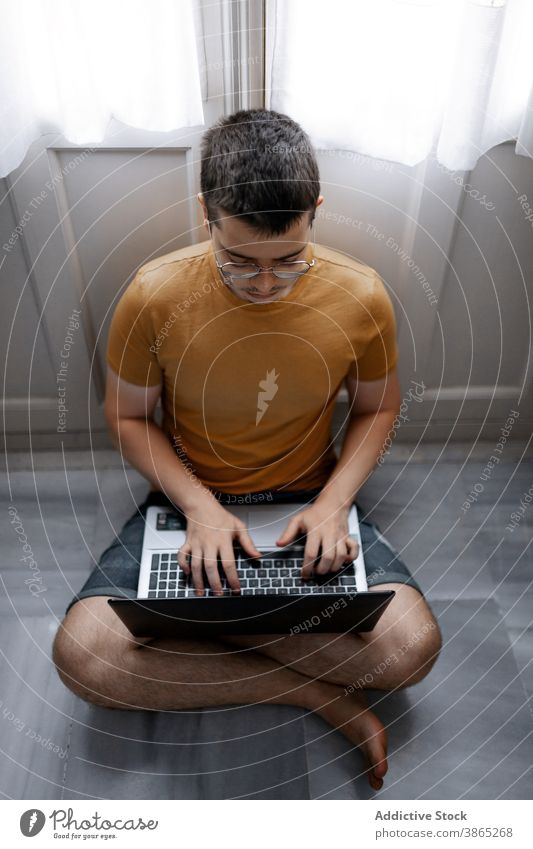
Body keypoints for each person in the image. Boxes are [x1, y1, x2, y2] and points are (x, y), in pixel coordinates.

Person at [52, 108, 442, 792]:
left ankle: (208, 635)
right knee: (84, 659)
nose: (265, 283)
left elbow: (378, 407)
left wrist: (332, 504)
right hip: (190, 500)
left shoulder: (361, 294)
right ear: (207, 212)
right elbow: (128, 415)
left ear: (314, 213)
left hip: (309, 499)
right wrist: (200, 507)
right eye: (239, 262)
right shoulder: (153, 293)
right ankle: (313, 694)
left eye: (287, 261)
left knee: (409, 652)